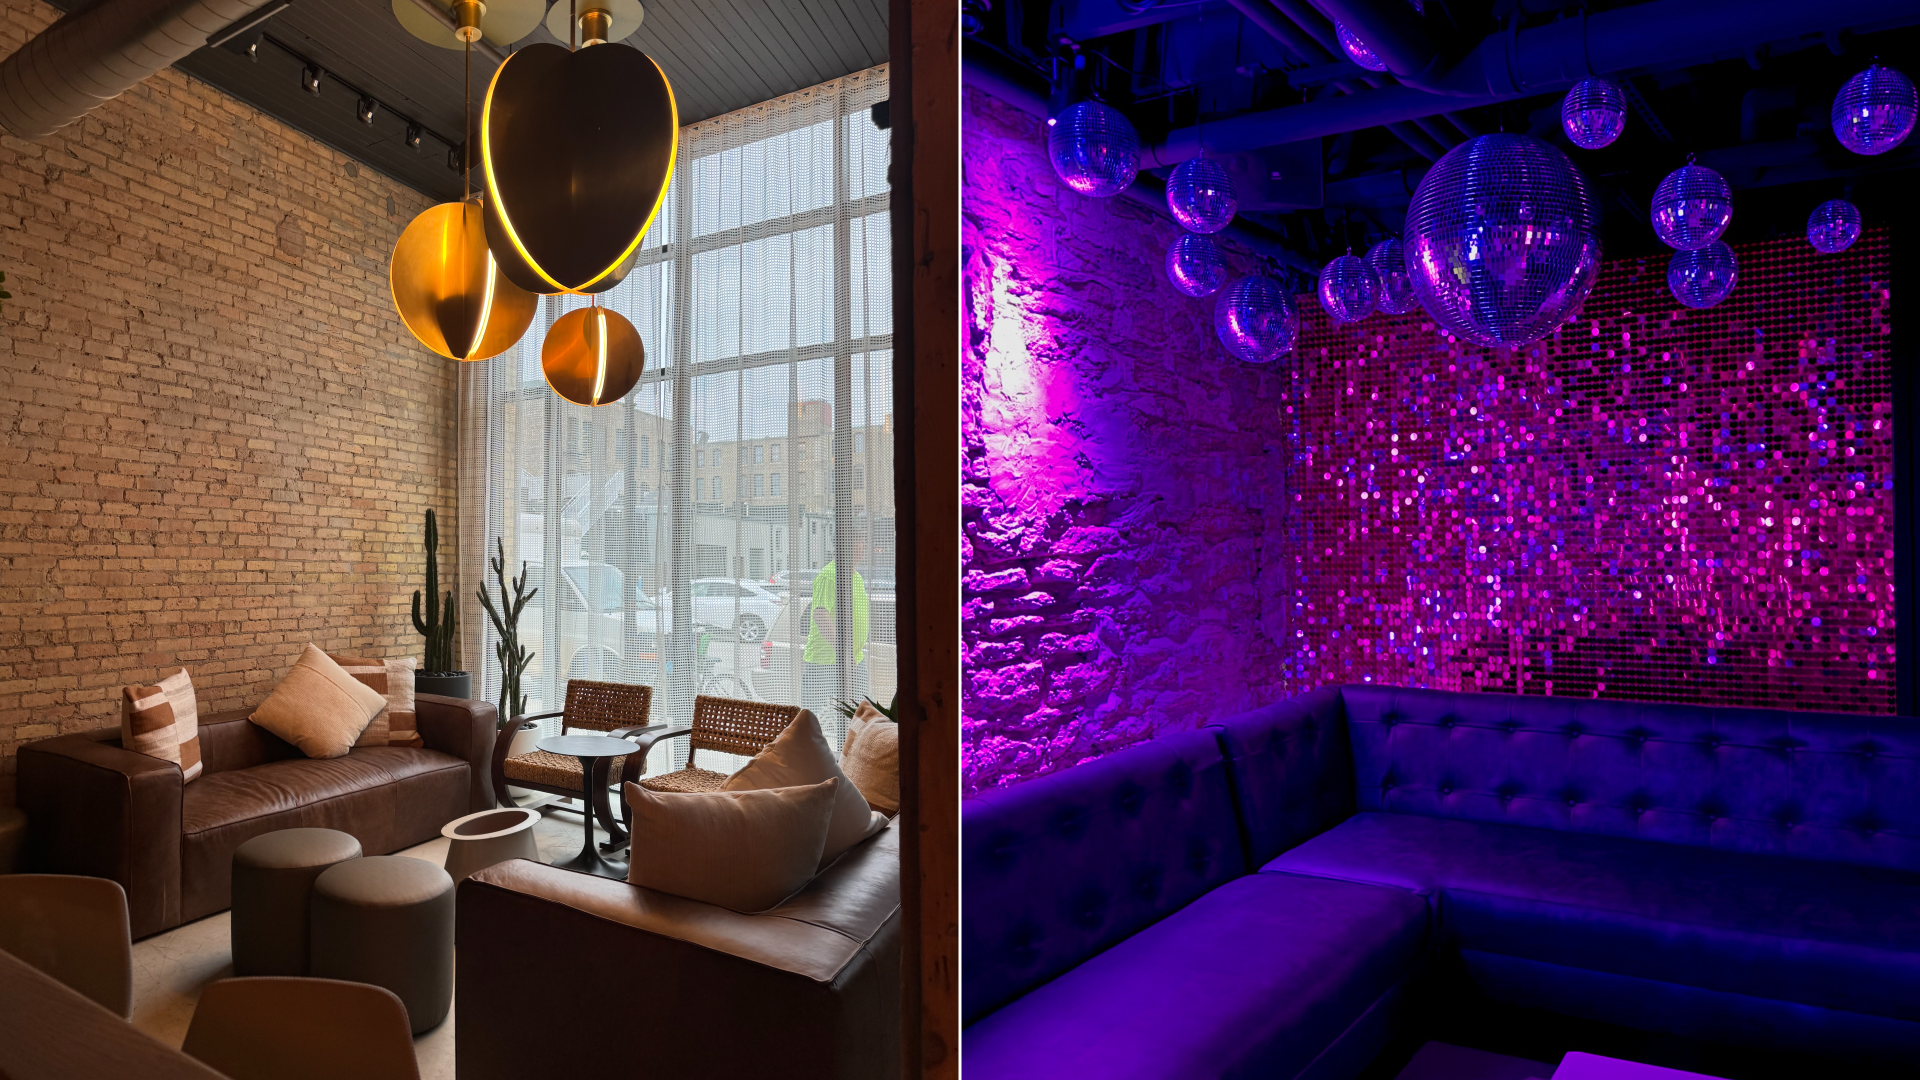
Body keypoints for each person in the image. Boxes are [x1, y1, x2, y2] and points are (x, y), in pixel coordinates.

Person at [801, 529, 871, 728]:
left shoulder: (856, 577)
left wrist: (850, 654)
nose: (863, 546)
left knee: (862, 715)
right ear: (844, 546)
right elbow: (820, 614)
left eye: (863, 541)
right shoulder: (829, 575)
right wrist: (844, 651)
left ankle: (851, 748)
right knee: (807, 719)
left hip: (854, 659)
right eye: (858, 541)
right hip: (824, 661)